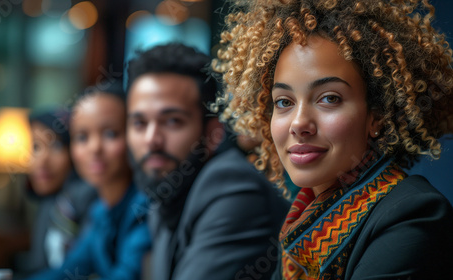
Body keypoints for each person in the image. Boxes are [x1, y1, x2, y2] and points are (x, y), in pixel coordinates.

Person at [214, 0, 453, 279]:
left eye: (329, 98)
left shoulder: (414, 215)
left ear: (376, 116)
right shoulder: (304, 222)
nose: (299, 123)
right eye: (284, 102)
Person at [126, 43, 291, 280]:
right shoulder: (165, 195)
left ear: (213, 134)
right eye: (139, 124)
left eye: (172, 121)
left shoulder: (232, 186)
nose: (152, 140)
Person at [28, 85, 151, 280]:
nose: (94, 148)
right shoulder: (101, 213)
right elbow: (65, 273)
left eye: (111, 134)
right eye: (82, 137)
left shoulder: (145, 210)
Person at [18, 108, 96, 277]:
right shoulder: (49, 204)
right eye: (36, 147)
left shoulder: (88, 198)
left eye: (56, 146)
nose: (42, 161)